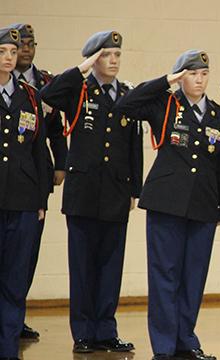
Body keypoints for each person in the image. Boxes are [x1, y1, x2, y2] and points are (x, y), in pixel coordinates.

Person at [114, 49, 220, 360]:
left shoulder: (219, 115)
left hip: (204, 205)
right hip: (166, 203)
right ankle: (164, 347)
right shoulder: (164, 104)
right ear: (180, 77)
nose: (199, 79)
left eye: (204, 73)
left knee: (194, 277)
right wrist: (165, 81)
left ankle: (186, 341)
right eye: (192, 73)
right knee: (165, 274)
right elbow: (125, 104)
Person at [40, 30, 142, 354]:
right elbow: (48, 94)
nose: (112, 61)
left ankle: (106, 330)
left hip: (115, 193)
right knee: (83, 267)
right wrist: (81, 68)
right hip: (83, 193)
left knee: (111, 268)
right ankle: (83, 331)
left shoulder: (126, 94)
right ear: (93, 59)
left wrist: (134, 189)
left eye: (116, 56)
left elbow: (134, 145)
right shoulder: (78, 91)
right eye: (105, 56)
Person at [11, 22, 68, 341]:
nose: (26, 50)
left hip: (35, 176)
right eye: (20, 45)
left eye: (31, 44)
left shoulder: (45, 82)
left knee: (27, 252)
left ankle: (16, 318)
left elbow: (56, 128)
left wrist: (61, 163)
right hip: (8, 176)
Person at [0, 26, 48, 360]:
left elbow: (38, 151)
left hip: (22, 199)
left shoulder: (29, 96)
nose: (8, 58)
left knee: (15, 280)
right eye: (3, 52)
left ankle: (8, 347)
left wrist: (41, 199)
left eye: (13, 53)